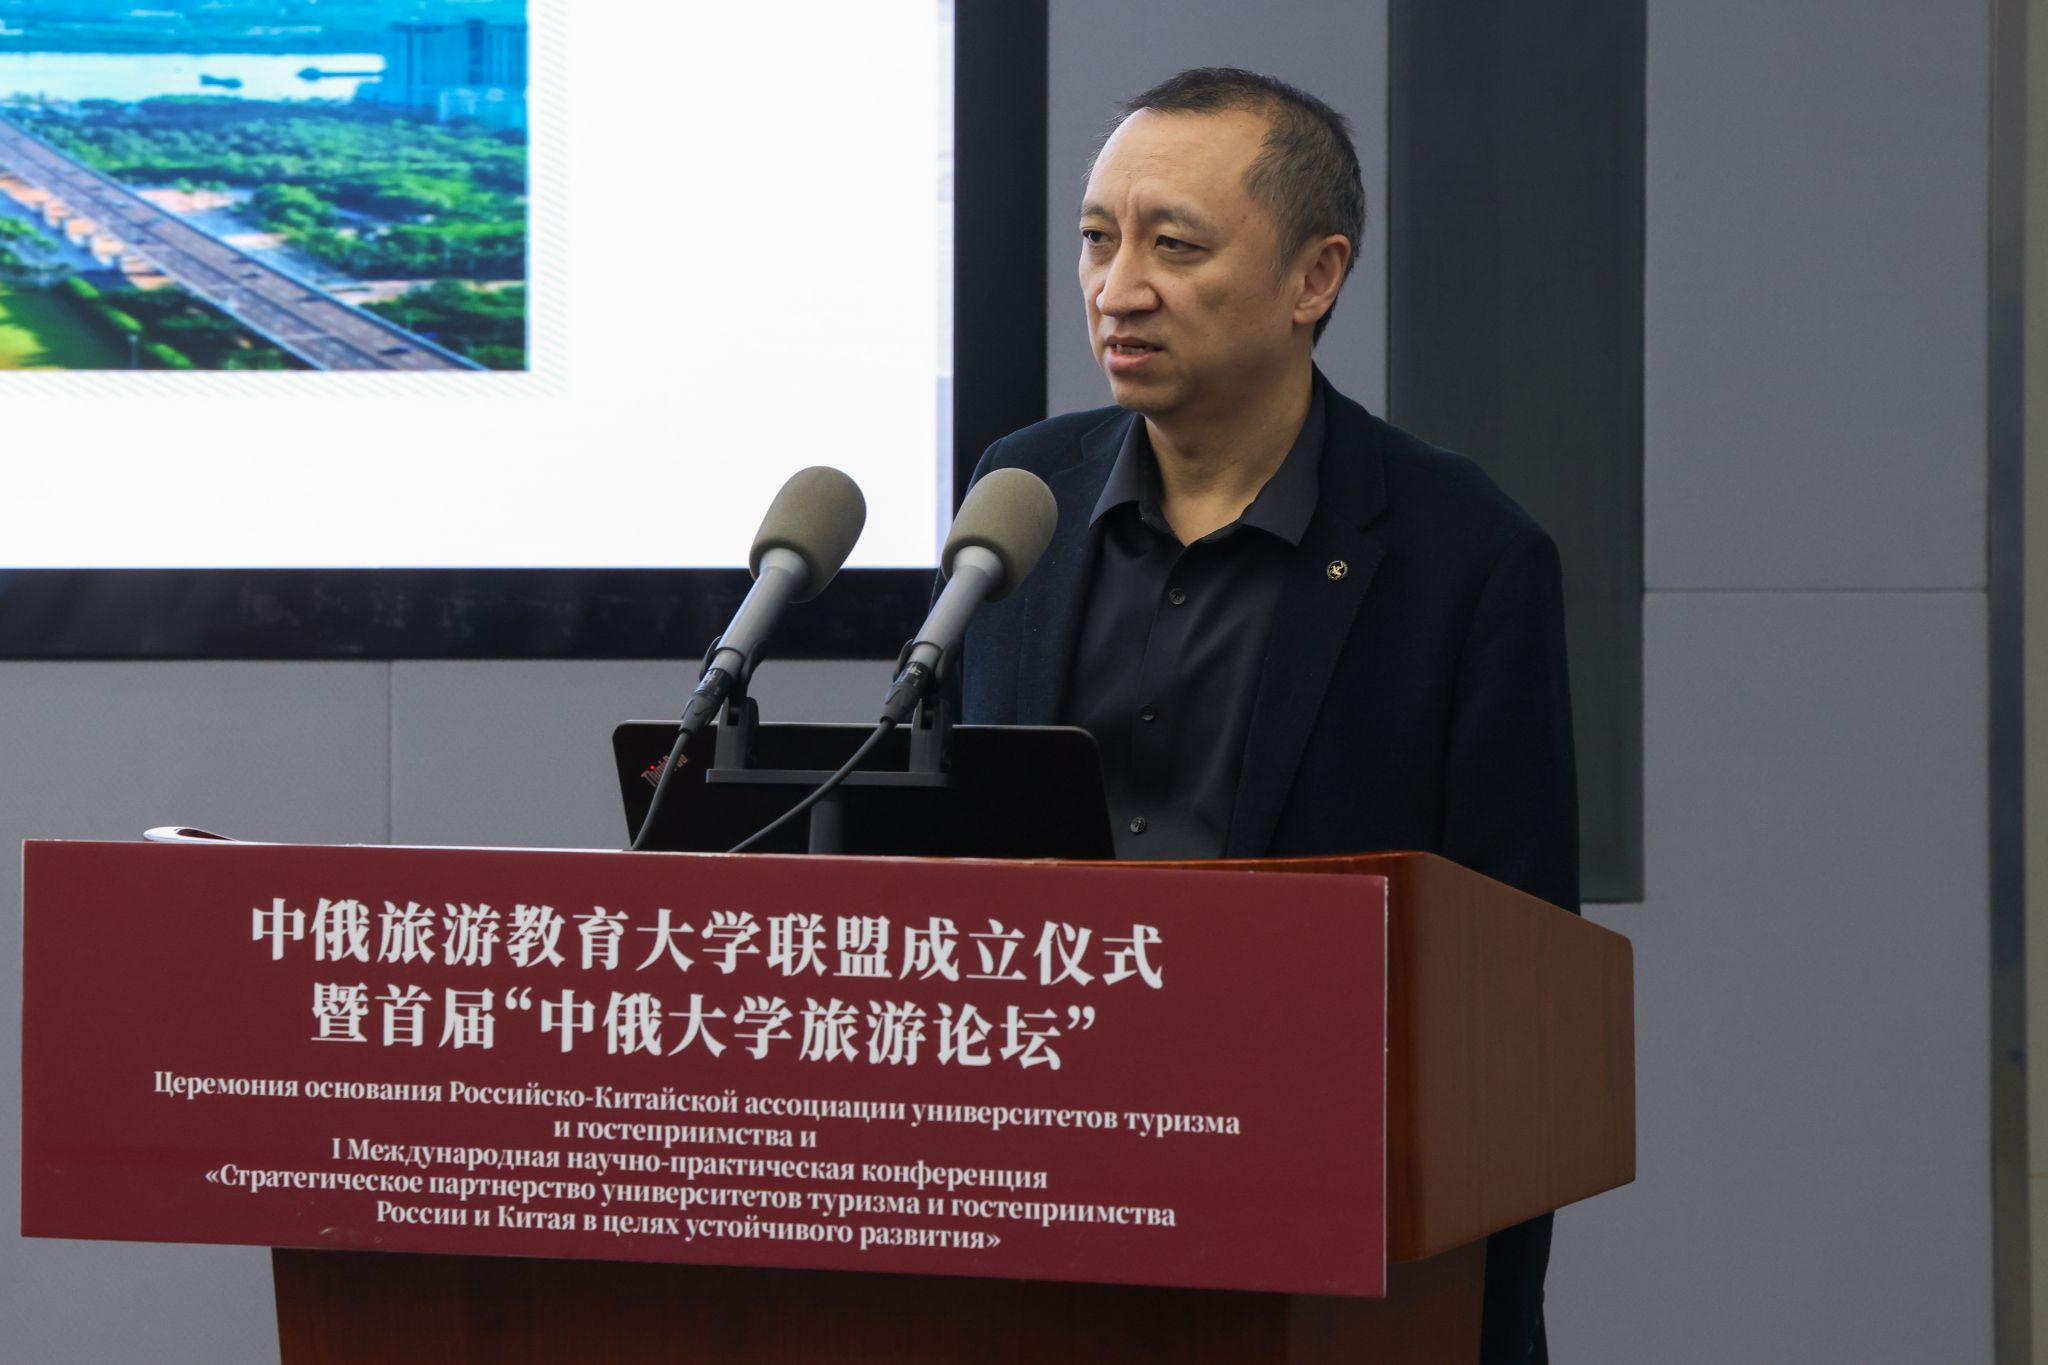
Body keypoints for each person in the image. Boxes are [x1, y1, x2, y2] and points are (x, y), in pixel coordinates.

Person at [953, 67, 1578, 1363]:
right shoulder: (1022, 496)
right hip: (1043, 1221)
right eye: (1098, 238)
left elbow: (1518, 1003)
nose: (1118, 289)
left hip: (1320, 1249)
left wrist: (1478, 1328)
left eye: (1174, 247)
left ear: (1314, 277)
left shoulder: (1466, 557)